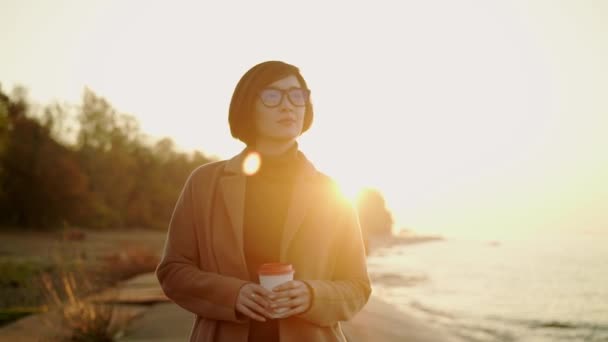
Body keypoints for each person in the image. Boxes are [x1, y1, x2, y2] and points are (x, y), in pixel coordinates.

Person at [156, 60, 371, 342]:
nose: (288, 105)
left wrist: (311, 295)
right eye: (272, 96)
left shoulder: (331, 192)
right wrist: (232, 294)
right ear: (247, 106)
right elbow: (173, 271)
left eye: (297, 95)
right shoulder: (205, 183)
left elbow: (357, 286)